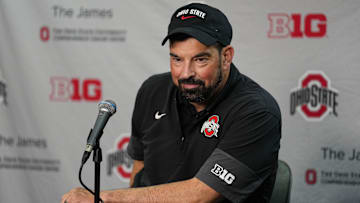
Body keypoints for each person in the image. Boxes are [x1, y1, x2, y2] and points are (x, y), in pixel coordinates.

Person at [62, 3, 281, 203]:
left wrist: (104, 198)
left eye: (200, 59)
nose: (186, 73)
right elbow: (139, 169)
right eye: (177, 59)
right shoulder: (152, 90)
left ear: (226, 56)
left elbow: (200, 194)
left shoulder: (257, 112)